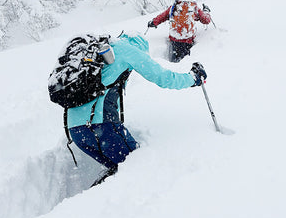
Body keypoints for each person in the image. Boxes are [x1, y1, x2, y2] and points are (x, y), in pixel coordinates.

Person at [67, 32, 207, 186]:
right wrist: (193, 79)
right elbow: (163, 77)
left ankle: (87, 205)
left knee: (118, 174)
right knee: (139, 169)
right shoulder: (130, 51)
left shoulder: (104, 49)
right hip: (102, 127)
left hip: (77, 131)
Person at [147, 0, 211, 62]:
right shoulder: (193, 7)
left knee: (174, 62)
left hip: (174, 40)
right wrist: (206, 11)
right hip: (188, 41)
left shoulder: (174, 7)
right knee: (186, 63)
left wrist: (153, 22)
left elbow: (163, 16)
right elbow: (206, 20)